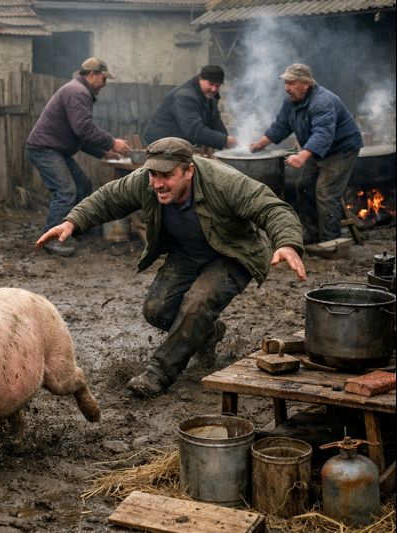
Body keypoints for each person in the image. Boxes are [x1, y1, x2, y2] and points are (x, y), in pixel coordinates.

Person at [36, 137, 306, 398]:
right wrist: (73, 221)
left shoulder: (224, 182)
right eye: (153, 174)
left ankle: (158, 374)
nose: (157, 183)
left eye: (166, 175)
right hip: (187, 252)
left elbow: (272, 208)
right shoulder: (145, 182)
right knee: (156, 310)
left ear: (189, 171)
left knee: (198, 303)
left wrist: (287, 243)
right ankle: (208, 332)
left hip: (233, 254)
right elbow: (109, 198)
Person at [26, 57, 131, 257]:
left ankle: (74, 228)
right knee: (66, 190)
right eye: (103, 78)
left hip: (55, 149)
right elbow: (83, 129)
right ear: (91, 75)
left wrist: (103, 151)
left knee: (83, 186)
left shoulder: (77, 90)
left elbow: (78, 136)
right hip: (45, 148)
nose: (104, 84)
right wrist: (112, 142)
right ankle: (52, 239)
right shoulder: (77, 92)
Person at [250, 63, 363, 247]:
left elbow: (323, 133)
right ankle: (312, 233)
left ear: (306, 84)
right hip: (318, 150)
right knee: (303, 186)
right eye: (286, 83)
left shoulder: (323, 101)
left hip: (341, 150)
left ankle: (331, 241)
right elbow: (281, 126)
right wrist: (259, 145)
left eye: (291, 83)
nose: (287, 88)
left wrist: (302, 156)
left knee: (325, 191)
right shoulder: (291, 102)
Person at [144, 65, 236, 150]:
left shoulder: (210, 96)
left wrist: (228, 141)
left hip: (178, 144)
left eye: (217, 85)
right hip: (159, 144)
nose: (214, 89)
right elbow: (194, 130)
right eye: (211, 84)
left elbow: (215, 121)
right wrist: (224, 140)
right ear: (200, 79)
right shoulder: (185, 96)